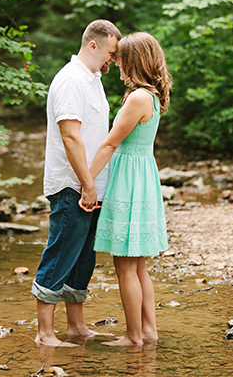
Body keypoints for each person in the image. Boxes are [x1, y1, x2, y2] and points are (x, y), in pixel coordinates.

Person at [32, 19, 121, 347]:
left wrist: (96, 184)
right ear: (94, 45)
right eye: (112, 52)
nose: (114, 59)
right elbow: (70, 136)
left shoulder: (93, 79)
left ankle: (76, 327)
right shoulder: (70, 80)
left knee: (83, 257)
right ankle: (45, 333)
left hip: (92, 184)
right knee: (62, 252)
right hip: (73, 184)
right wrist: (86, 184)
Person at [80, 32, 171, 346]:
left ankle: (133, 336)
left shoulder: (138, 98)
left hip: (130, 182)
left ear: (136, 61)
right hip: (141, 176)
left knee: (125, 266)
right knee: (138, 264)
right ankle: (148, 331)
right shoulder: (152, 96)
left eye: (121, 58)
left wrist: (86, 183)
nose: (116, 63)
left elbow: (109, 145)